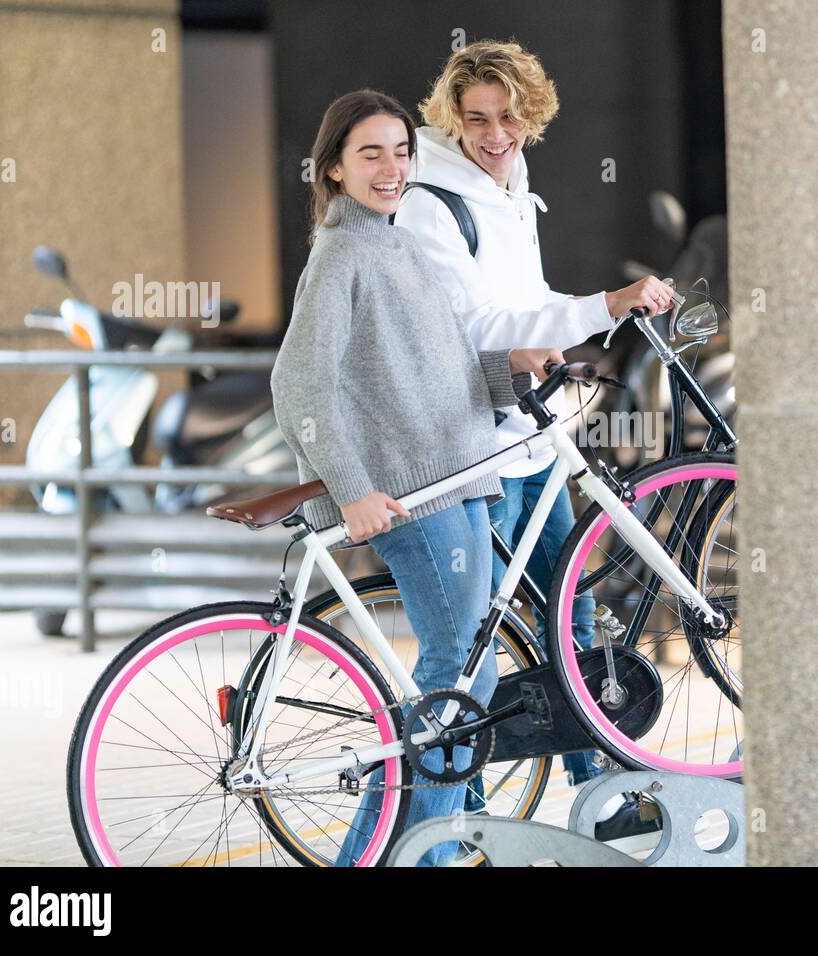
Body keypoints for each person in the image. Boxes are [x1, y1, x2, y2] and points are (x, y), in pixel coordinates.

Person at [269, 88, 562, 866]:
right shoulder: (342, 257)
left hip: (456, 480)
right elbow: (298, 389)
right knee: (451, 679)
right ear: (332, 169)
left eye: (401, 151)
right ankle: (390, 857)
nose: (392, 168)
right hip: (413, 497)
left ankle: (425, 848)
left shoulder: (394, 243)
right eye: (370, 154)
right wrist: (351, 487)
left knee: (470, 671)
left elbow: (437, 369)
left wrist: (509, 370)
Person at [396, 38, 674, 839]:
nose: (493, 134)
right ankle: (459, 821)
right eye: (476, 118)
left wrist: (582, 319)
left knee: (573, 619)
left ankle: (604, 803)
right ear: (451, 117)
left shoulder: (513, 189)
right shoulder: (430, 200)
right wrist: (603, 305)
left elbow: (529, 300)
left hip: (530, 439)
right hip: (471, 448)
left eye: (509, 118)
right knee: (471, 648)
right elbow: (480, 326)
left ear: (532, 116)